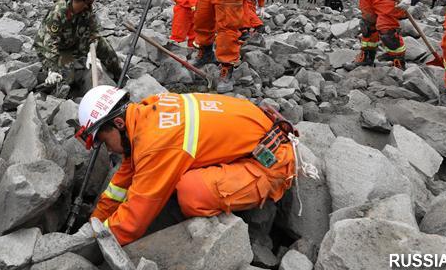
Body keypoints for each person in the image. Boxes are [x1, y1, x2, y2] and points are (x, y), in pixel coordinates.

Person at [77, 85, 296, 246]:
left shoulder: (156, 145)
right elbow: (124, 177)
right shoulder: (147, 111)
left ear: (118, 123)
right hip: (260, 133)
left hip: (273, 161)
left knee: (191, 191)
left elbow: (133, 223)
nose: (108, 150)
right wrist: (95, 220)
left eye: (105, 141)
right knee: (172, 174)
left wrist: (94, 240)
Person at [35, 0, 122, 98]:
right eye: (91, 0)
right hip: (56, 48)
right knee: (65, 77)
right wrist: (52, 69)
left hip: (74, 41)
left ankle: (121, 76)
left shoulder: (87, 9)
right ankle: (51, 90)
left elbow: (93, 32)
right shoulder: (58, 12)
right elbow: (49, 43)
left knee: (104, 45)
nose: (92, 3)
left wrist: (93, 54)